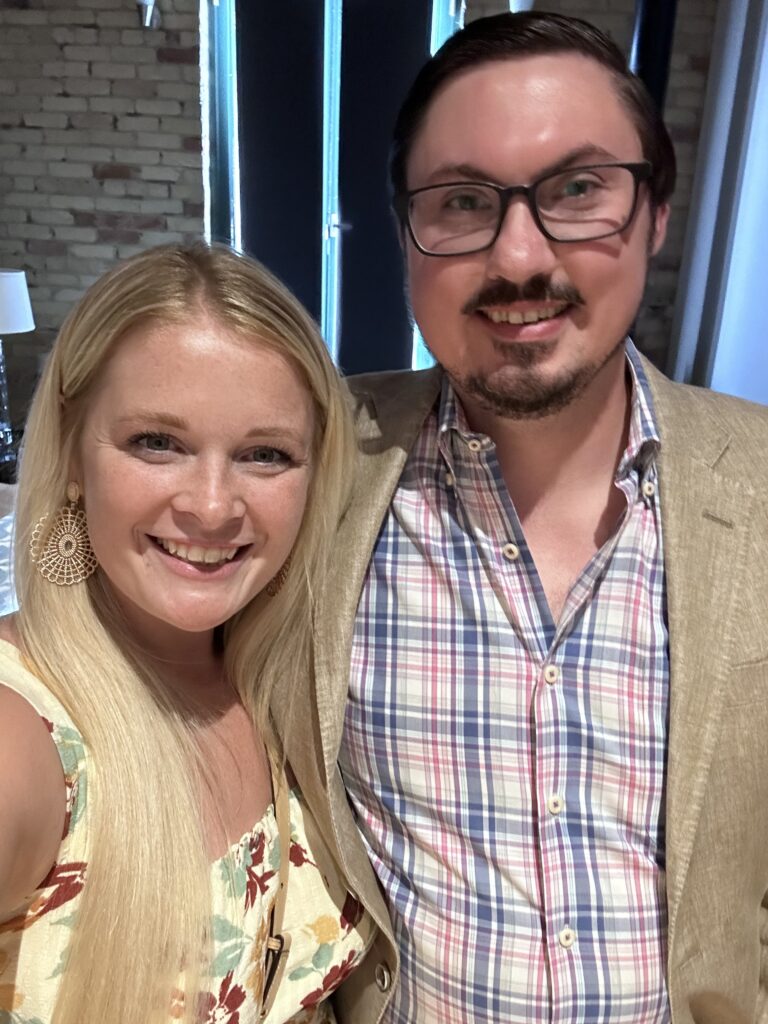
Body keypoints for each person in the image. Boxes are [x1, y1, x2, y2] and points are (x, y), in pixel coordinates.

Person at [281, 11, 768, 1024]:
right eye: (461, 201)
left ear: (657, 211)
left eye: (577, 191)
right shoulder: (312, 460)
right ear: (405, 232)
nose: (517, 255)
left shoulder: (759, 485)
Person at [0, 243, 380, 1024]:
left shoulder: (289, 689)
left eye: (265, 454)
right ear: (73, 453)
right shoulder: (24, 735)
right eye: (157, 443)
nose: (212, 506)